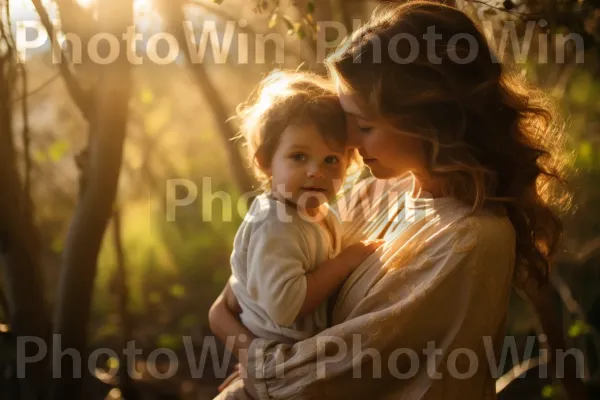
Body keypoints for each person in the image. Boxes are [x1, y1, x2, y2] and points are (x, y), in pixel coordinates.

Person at [211, 1, 576, 399]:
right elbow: (253, 283)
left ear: (426, 120)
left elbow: (300, 379)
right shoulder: (383, 191)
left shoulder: (468, 239)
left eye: (364, 126)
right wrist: (230, 323)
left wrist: (232, 334)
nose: (347, 141)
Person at [209, 71, 385, 352]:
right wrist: (346, 262)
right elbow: (285, 307)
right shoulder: (274, 224)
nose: (316, 172)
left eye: (331, 160)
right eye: (299, 157)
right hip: (274, 358)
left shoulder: (320, 212)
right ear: (266, 162)